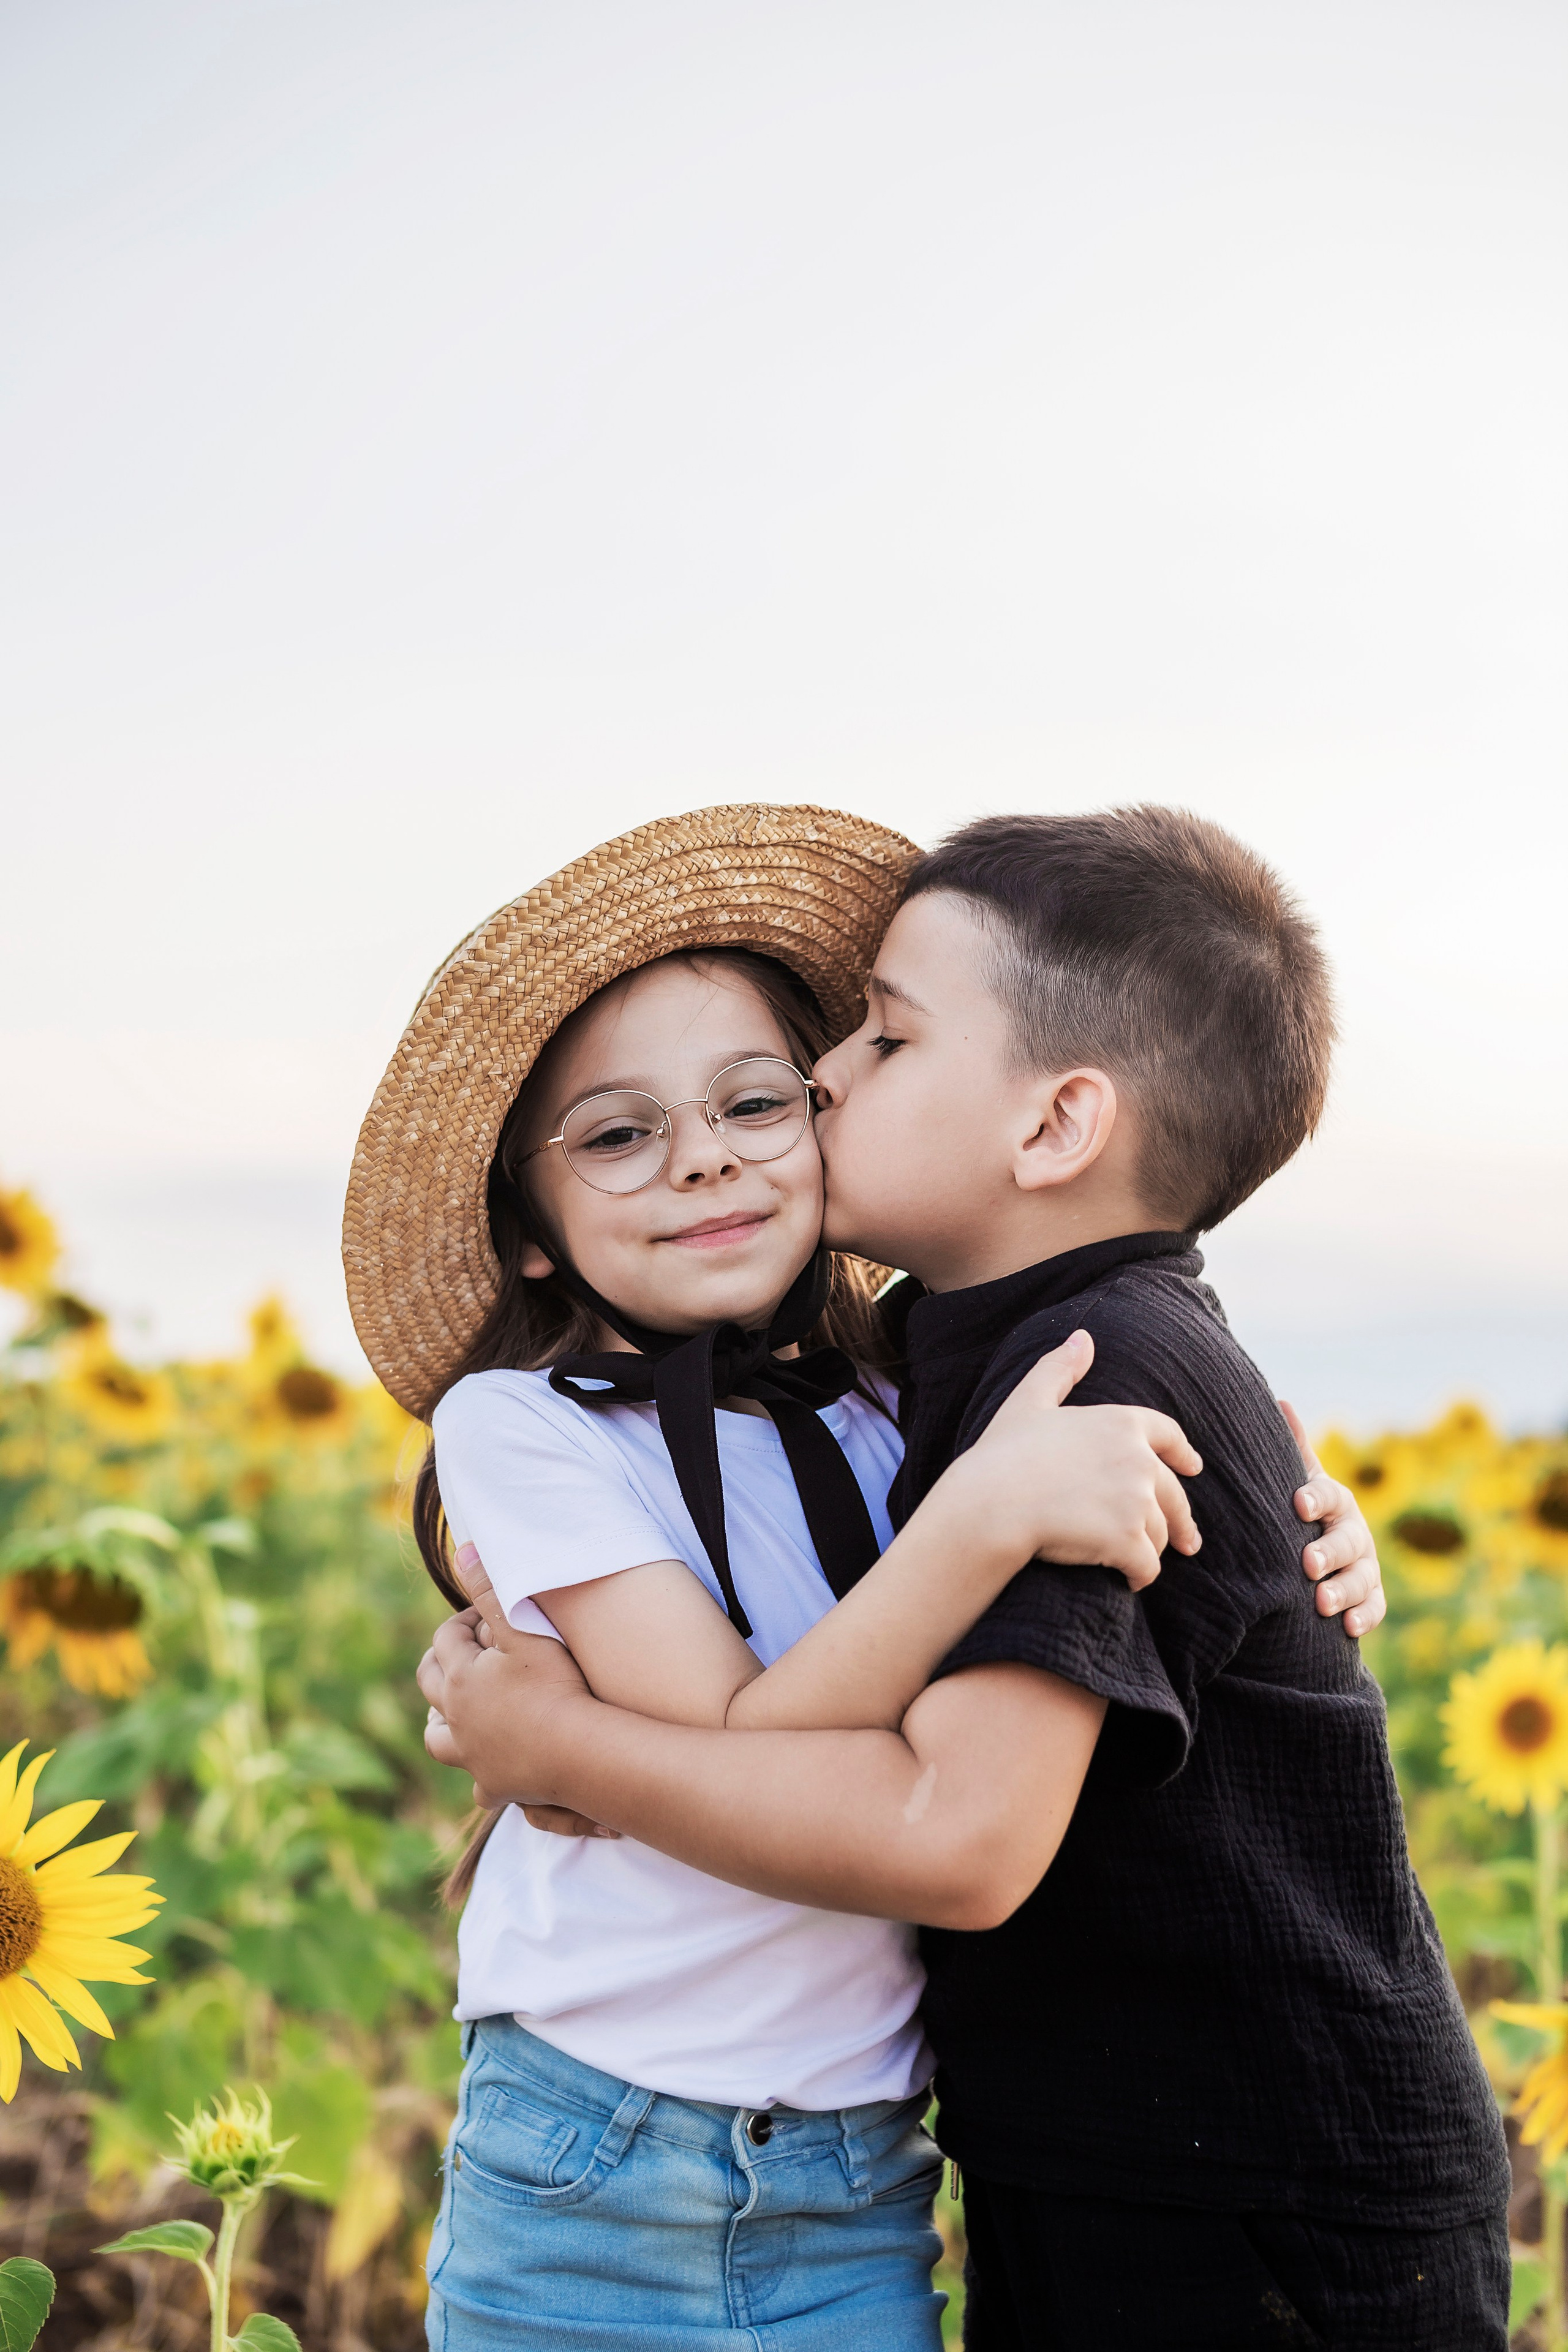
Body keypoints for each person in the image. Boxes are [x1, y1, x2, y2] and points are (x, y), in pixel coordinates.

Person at [420, 805, 1502, 2352]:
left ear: (1053, 1128)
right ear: (530, 1222)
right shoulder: (954, 1383)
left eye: (877, 1038)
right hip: (766, 2154)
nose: (821, 1080)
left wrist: (557, 1745)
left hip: (1222, 2180)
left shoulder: (1058, 1386)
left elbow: (956, 1837)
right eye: (615, 1133)